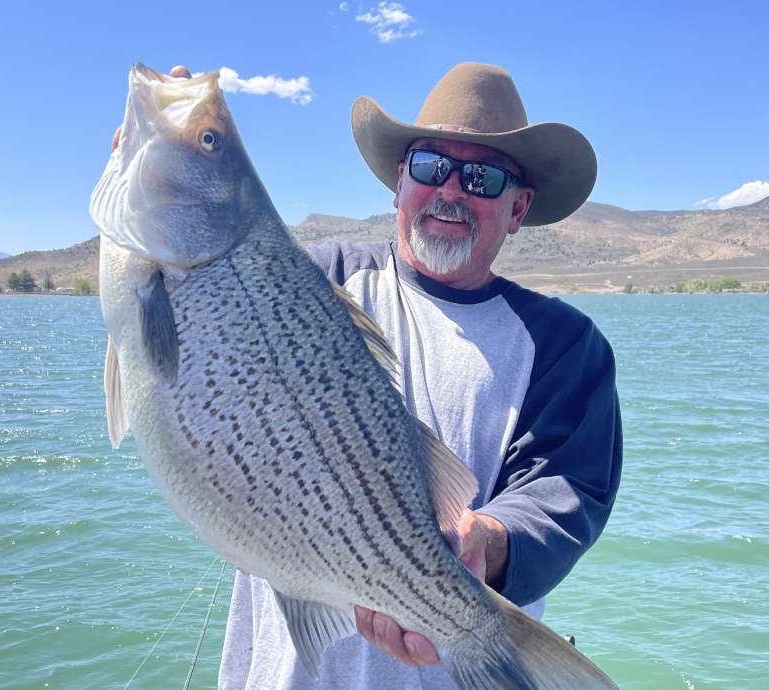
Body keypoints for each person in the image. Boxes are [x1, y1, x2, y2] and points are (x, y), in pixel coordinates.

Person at [116, 62, 622, 689]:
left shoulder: (567, 346)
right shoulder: (311, 276)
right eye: (431, 166)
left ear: (518, 208)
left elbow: (566, 494)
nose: (452, 191)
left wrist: (488, 539)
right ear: (399, 183)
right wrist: (168, 150)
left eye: (483, 177)